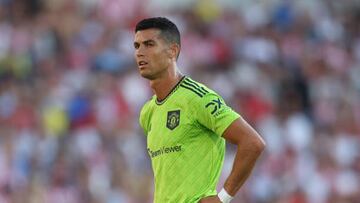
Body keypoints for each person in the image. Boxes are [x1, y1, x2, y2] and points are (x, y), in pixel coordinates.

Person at [134, 17, 266, 203]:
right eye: (137, 46)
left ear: (173, 51)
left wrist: (223, 198)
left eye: (149, 44)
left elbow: (252, 143)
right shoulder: (148, 112)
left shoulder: (198, 98)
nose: (140, 52)